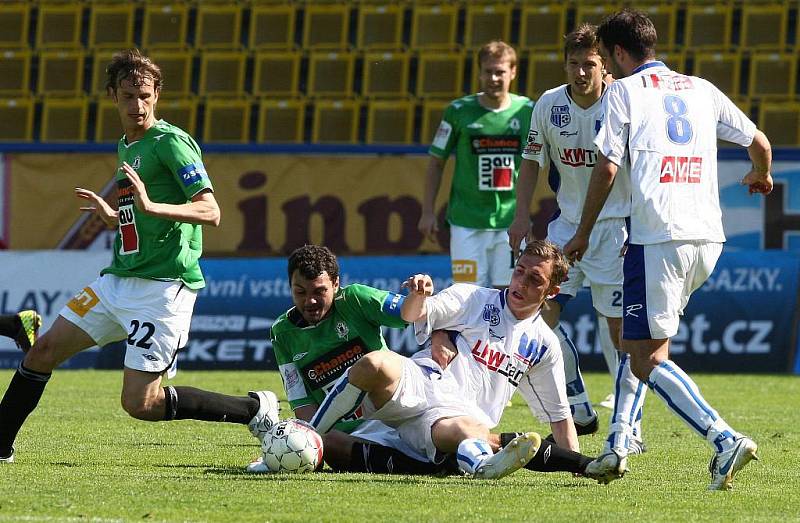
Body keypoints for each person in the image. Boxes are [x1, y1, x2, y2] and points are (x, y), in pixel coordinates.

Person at [0, 49, 279, 464]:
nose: (138, 105)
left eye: (145, 96)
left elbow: (210, 211)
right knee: (41, 352)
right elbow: (143, 215)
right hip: (117, 280)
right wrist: (117, 216)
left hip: (163, 288)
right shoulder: (128, 145)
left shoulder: (172, 144)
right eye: (129, 96)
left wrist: (149, 206)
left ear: (157, 95)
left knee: (141, 404)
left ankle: (254, 409)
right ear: (113, 95)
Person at [562, 9, 771, 490]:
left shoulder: (622, 92)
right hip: (707, 238)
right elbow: (759, 141)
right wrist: (761, 175)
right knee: (641, 347)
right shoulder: (700, 87)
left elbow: (608, 168)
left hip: (656, 237)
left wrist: (583, 232)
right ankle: (618, 444)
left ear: (615, 54)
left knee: (644, 357)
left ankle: (723, 440)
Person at [250, 244, 606, 481]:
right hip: (426, 382)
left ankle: (470, 462)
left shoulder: (544, 345)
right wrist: (421, 297)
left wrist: (576, 465)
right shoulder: (473, 297)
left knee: (346, 449)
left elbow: (560, 417)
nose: (521, 282)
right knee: (374, 365)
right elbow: (420, 314)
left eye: (534, 279)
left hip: (456, 420)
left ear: (551, 292)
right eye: (519, 271)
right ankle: (305, 436)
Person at [507, 24, 645, 450]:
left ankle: (629, 425)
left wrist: (639, 226)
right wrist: (520, 216)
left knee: (621, 330)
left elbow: (640, 169)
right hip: (566, 226)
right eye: (573, 63)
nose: (581, 72)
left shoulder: (626, 101)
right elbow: (531, 162)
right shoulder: (548, 105)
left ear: (605, 67)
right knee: (538, 316)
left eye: (590, 64)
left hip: (616, 226)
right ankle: (579, 403)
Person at [419, 41, 534, 289]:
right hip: (466, 224)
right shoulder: (458, 110)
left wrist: (524, 215)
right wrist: (427, 210)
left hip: (509, 222)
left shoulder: (527, 110)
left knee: (511, 293)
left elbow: (535, 163)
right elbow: (436, 162)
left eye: (500, 71)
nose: (493, 78)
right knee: (468, 295)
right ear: (479, 72)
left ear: (513, 72)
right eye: (488, 71)